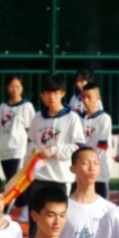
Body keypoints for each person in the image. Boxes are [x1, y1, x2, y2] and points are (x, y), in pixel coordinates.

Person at [24, 76, 87, 226]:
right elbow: (30, 141)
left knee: (58, 221)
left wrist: (53, 150)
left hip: (61, 178)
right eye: (47, 93)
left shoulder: (72, 118)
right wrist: (35, 150)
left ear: (62, 93)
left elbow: (78, 146)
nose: (51, 97)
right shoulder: (37, 117)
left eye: (55, 93)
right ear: (42, 95)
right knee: (36, 219)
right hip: (38, 176)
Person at [65, 147, 116, 238]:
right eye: (85, 163)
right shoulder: (62, 208)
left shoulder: (110, 209)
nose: (91, 168)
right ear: (73, 168)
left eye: (96, 163)